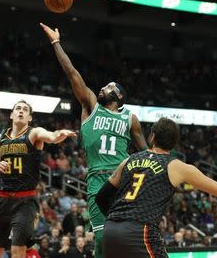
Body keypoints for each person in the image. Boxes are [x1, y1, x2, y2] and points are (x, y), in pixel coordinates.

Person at [40, 23, 148, 258]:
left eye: (109, 87)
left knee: (127, 238)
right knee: (101, 238)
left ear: (119, 96)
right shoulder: (91, 104)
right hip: (97, 180)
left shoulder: (131, 119)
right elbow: (72, 73)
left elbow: (147, 153)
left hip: (123, 179)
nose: (102, 87)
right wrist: (56, 43)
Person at [95, 118, 217, 258]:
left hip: (111, 231)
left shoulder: (128, 160)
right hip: (139, 230)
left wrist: (116, 220)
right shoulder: (175, 166)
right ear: (174, 143)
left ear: (152, 136)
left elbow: (101, 197)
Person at [0, 100, 77, 258]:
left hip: (25, 201)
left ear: (29, 117)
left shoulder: (34, 133)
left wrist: (59, 134)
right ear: (12, 114)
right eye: (18, 108)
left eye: (25, 110)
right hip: (2, 199)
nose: (21, 111)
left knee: (18, 250)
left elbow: (51, 136)